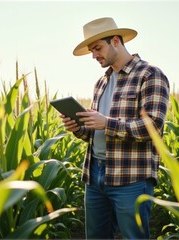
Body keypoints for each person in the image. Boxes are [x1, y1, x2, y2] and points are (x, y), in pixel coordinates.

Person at [60, 17, 170, 239]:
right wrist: (77, 128)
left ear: (116, 41)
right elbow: (95, 131)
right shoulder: (101, 83)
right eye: (91, 50)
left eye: (98, 48)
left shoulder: (150, 75)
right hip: (95, 176)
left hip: (131, 179)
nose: (94, 55)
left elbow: (153, 128)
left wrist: (106, 122)